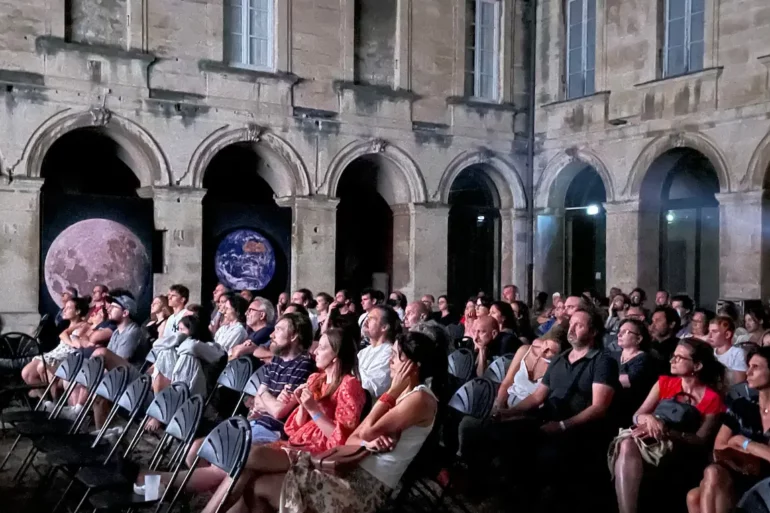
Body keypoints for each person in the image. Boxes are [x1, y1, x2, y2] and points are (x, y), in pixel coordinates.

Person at [203, 330, 447, 513]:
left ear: (412, 366)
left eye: (395, 357)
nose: (389, 361)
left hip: (363, 483)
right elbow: (354, 438)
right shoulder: (403, 396)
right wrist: (303, 407)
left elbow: (360, 432)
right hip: (346, 467)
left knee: (253, 472)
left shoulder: (420, 398)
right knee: (254, 479)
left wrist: (390, 394)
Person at [611, 339, 726, 513]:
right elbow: (637, 415)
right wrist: (649, 419)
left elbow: (701, 440)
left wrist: (667, 432)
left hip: (677, 443)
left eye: (679, 358)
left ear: (697, 366)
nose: (672, 361)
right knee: (627, 442)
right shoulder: (664, 383)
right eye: (673, 356)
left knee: (629, 445)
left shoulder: (712, 398)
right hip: (645, 436)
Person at [687, 347, 770, 513]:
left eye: (756, 367)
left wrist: (742, 442)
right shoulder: (741, 406)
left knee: (696, 495)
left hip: (765, 478)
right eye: (748, 366)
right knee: (706, 480)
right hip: (741, 469)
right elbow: (719, 447)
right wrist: (758, 449)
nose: (748, 372)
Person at [22, 297, 90, 392]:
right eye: (64, 307)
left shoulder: (84, 325)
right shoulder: (65, 324)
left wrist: (69, 339)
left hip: (68, 355)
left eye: (69, 308)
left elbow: (71, 341)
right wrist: (68, 336)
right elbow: (62, 335)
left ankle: (53, 400)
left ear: (78, 311)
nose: (64, 310)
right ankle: (45, 401)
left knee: (43, 366)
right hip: (55, 352)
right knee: (26, 373)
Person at [612, 319, 658, 426]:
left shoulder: (644, 359)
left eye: (626, 332)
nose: (619, 334)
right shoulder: (612, 355)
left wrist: (605, 378)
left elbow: (629, 381)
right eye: (619, 331)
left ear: (638, 339)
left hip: (630, 410)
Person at [358, 306, 399, 398]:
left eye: (371, 318)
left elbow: (371, 387)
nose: (366, 321)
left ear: (384, 327)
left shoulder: (390, 353)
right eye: (367, 318)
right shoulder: (363, 352)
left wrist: (350, 369)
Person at [708, 316, 747, 386]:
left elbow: (739, 384)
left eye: (714, 331)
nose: (709, 335)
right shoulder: (708, 352)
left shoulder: (737, 353)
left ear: (727, 334)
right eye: (709, 331)